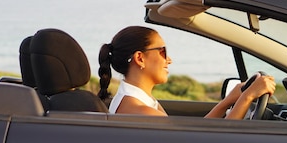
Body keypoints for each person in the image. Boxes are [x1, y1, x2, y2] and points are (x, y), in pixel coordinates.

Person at [97, 25, 276, 119]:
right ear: (140, 58)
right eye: (162, 52)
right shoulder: (139, 110)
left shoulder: (138, 101)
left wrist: (228, 101)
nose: (169, 60)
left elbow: (195, 134)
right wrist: (247, 97)